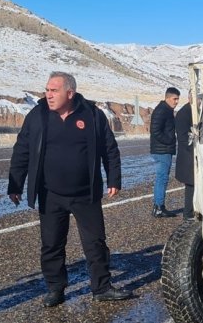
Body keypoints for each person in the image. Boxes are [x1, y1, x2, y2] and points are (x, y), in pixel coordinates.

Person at [7, 71, 133, 307]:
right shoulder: (38, 115)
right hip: (50, 193)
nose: (48, 95)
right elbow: (22, 149)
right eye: (47, 90)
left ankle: (102, 287)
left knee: (95, 243)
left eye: (54, 90)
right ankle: (56, 288)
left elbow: (110, 149)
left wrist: (114, 179)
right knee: (52, 244)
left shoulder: (92, 114)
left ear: (70, 93)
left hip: (86, 193)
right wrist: (15, 184)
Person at [150, 86, 180, 217]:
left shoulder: (166, 110)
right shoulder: (162, 110)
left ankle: (159, 206)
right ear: (168, 98)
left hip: (163, 150)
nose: (176, 102)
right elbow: (155, 131)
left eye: (178, 99)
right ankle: (159, 207)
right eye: (175, 99)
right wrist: (169, 141)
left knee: (162, 178)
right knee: (162, 179)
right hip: (162, 151)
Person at [175, 91, 196, 219]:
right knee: (191, 186)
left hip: (193, 155)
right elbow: (183, 138)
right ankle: (188, 215)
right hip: (188, 156)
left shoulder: (195, 112)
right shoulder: (184, 113)